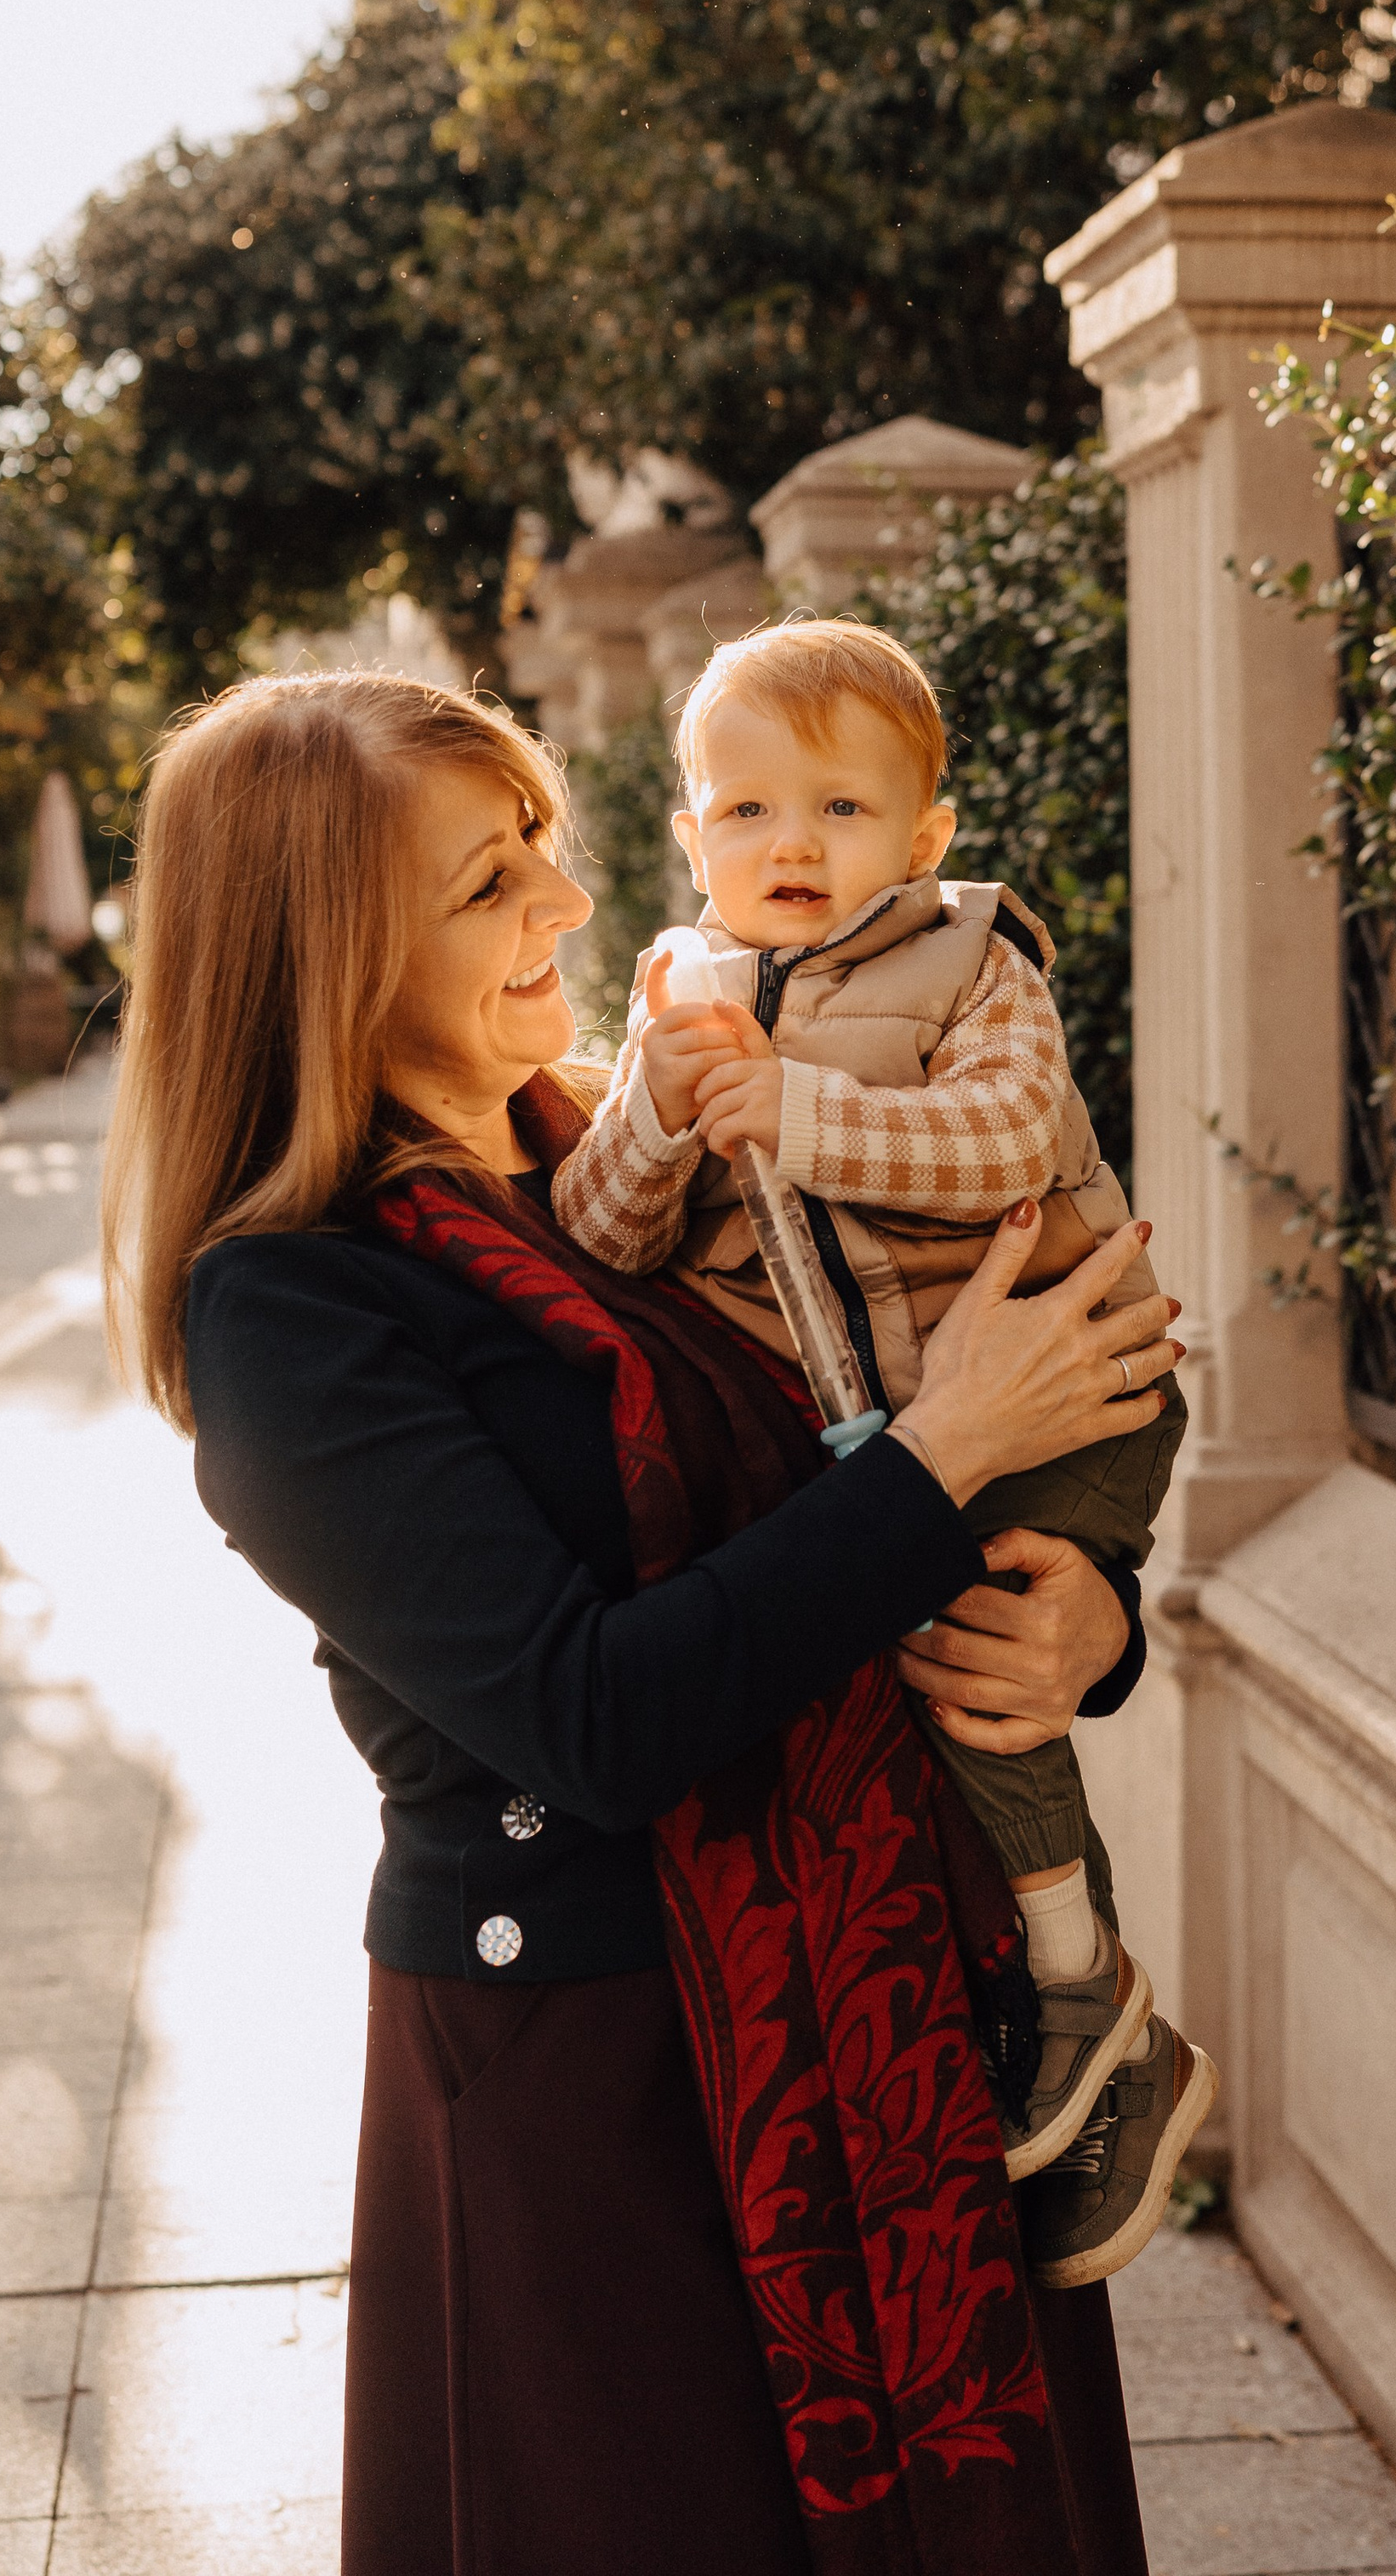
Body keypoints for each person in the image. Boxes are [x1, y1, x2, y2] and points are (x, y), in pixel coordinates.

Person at [101, 669, 1185, 2576]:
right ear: (329, 955)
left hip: (893, 2016)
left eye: (540, 851)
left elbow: (882, 1476)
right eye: (485, 886)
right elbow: (583, 1716)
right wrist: (939, 1460)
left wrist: (1081, 1615)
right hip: (603, 2083)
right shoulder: (291, 1311)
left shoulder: (627, 1160)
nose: (568, 910)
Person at [553, 619, 1215, 2278]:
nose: (793, 845)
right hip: (895, 1438)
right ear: (689, 839)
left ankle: (1081, 1995)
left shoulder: (971, 962)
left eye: (842, 811)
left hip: (1069, 1386)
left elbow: (1001, 1131)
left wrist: (794, 1110)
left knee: (985, 1657)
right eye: (748, 810)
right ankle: (1080, 2027)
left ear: (925, 838)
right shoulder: (674, 993)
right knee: (930, 1695)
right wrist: (656, 1099)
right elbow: (608, 1233)